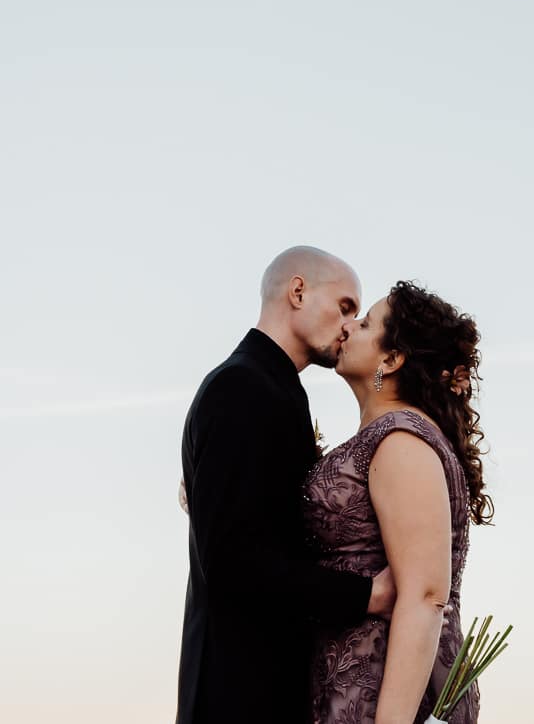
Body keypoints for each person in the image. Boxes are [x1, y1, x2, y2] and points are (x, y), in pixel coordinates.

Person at [175, 246, 397, 724]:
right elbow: (233, 562)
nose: (347, 327)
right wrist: (366, 595)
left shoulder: (268, 388)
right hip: (238, 695)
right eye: (344, 307)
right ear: (297, 291)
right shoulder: (242, 388)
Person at [305, 281, 494, 724]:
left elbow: (426, 594)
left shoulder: (401, 440)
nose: (348, 327)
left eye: (366, 323)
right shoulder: (388, 437)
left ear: (391, 359)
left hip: (385, 699)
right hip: (350, 686)